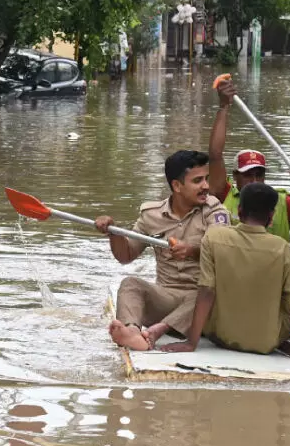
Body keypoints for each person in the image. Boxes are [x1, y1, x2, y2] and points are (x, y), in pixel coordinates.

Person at [96, 150, 231, 351]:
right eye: (198, 181)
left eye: (206, 179)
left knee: (212, 291)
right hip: (166, 298)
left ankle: (156, 332)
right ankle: (132, 333)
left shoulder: (215, 211)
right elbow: (126, 255)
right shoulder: (151, 215)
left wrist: (193, 250)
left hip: (203, 305)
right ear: (177, 186)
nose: (206, 186)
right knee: (130, 283)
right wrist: (113, 234)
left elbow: (223, 253)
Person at [162, 183, 290, 355]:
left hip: (220, 335)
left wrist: (191, 343)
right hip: (266, 342)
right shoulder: (282, 248)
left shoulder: (213, 237)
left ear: (239, 211)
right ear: (271, 216)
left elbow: (206, 292)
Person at [209, 78, 290, 244]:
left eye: (259, 175)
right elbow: (215, 154)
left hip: (273, 267)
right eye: (247, 175)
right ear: (235, 176)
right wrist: (224, 107)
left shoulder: (282, 202)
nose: (254, 181)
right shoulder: (223, 194)